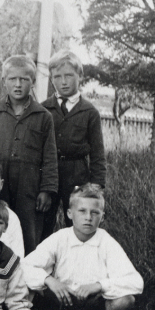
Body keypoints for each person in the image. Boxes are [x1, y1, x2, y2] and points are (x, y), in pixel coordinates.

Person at [0, 55, 58, 253]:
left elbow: (50, 157)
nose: (18, 84)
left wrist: (47, 190)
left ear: (33, 82)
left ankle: (25, 278)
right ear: (4, 81)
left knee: (29, 233)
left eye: (24, 79)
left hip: (29, 187)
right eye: (12, 79)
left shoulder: (43, 116)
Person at [24, 185, 142, 310]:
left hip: (94, 301)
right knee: (27, 285)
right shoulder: (60, 237)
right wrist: (50, 281)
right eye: (82, 211)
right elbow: (25, 266)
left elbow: (136, 282)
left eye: (95, 212)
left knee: (126, 300)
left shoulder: (106, 242)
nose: (88, 217)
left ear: (102, 217)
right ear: (69, 214)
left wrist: (99, 285)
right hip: (62, 296)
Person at [42, 50, 106, 240]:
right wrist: (42, 185)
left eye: (69, 75)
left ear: (80, 76)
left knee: (80, 224)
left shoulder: (89, 111)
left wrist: (97, 185)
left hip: (78, 173)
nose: (63, 81)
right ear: (51, 79)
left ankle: (81, 264)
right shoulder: (44, 109)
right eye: (57, 77)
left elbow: (97, 153)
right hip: (50, 173)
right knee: (44, 223)